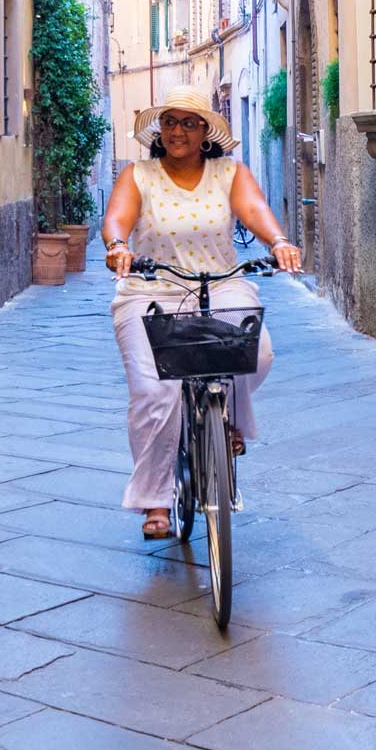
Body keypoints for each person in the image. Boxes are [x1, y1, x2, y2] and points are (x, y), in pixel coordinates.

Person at [100, 85, 302, 540]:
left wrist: (279, 242)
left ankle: (225, 417)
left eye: (188, 123)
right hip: (152, 289)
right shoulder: (139, 174)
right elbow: (117, 218)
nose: (177, 131)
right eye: (170, 122)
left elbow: (254, 209)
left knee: (258, 353)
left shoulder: (228, 172)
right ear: (160, 129)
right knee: (156, 393)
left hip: (221, 283)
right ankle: (155, 498)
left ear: (205, 131)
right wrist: (117, 246)